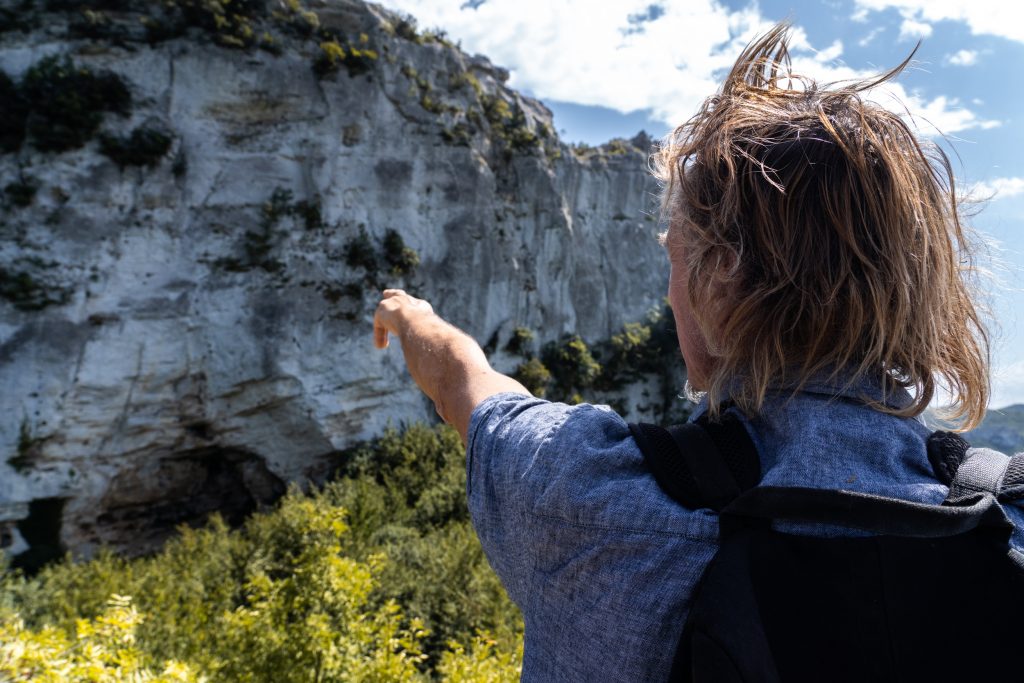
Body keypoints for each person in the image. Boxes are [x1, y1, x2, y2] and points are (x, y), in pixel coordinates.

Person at [372, 24, 1020, 681]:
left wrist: (412, 313)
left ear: (722, 277)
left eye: (676, 260)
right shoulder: (1006, 516)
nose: (670, 295)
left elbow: (465, 384)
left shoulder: (589, 495)